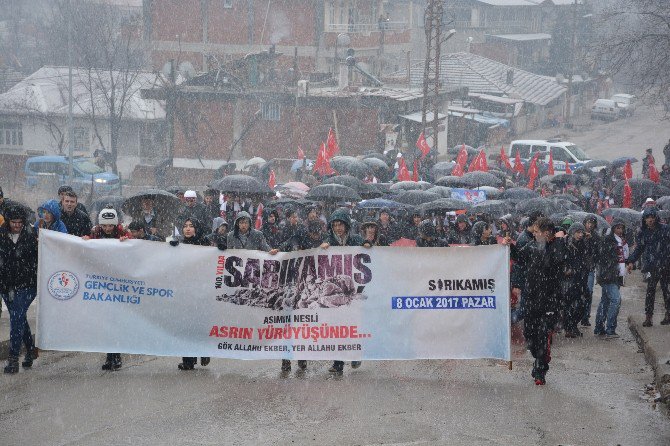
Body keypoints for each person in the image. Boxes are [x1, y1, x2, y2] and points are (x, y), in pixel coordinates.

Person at [82, 208, 132, 370]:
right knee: (106, 324)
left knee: (115, 322)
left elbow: (135, 247)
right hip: (103, 284)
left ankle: (116, 356)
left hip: (119, 284)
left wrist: (128, 240)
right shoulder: (96, 233)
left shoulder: (123, 232)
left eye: (110, 226)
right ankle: (109, 356)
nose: (108, 229)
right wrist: (86, 240)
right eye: (105, 226)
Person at [520, 217, 566, 385]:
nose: (534, 234)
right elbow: (519, 256)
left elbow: (557, 260)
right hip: (532, 298)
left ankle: (540, 370)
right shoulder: (532, 246)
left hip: (549, 300)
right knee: (530, 335)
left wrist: (559, 240)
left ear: (546, 233)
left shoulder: (557, 246)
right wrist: (508, 245)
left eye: (537, 232)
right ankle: (539, 357)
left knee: (542, 335)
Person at [320, 208, 366, 374]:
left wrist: (367, 245)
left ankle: (355, 356)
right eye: (335, 225)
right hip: (338, 291)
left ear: (347, 225)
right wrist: (322, 248)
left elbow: (369, 252)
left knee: (353, 325)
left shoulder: (355, 240)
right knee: (338, 327)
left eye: (341, 225)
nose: (338, 228)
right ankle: (338, 363)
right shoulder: (328, 241)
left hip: (354, 287)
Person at [168, 218, 212, 370]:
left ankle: (203, 351)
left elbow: (213, 260)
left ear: (196, 229)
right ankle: (188, 359)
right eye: (185, 226)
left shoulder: (204, 243)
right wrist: (170, 248)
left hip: (200, 288)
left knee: (199, 323)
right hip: (184, 289)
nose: (187, 229)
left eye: (191, 226)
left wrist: (220, 249)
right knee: (185, 325)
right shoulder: (177, 243)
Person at [0, 206, 39, 374]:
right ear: (8, 222)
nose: (17, 225)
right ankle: (30, 350)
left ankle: (13, 358)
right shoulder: (1, 235)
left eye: (20, 222)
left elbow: (38, 258)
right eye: (14, 222)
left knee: (16, 318)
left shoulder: (31, 235)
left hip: (27, 284)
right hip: (6, 284)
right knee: (19, 317)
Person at [626, 207, 670, 326]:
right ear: (644, 219)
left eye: (652, 217)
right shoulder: (643, 233)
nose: (650, 220)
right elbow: (639, 248)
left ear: (656, 218)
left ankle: (668, 314)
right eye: (647, 217)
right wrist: (631, 261)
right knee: (650, 291)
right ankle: (648, 317)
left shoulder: (665, 229)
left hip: (666, 265)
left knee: (666, 290)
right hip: (651, 267)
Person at [595, 219, 629, 338]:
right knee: (616, 300)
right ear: (613, 228)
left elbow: (625, 257)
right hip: (609, 276)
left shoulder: (622, 241)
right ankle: (610, 329)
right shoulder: (608, 240)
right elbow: (604, 258)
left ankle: (599, 328)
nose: (620, 230)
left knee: (605, 301)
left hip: (617, 276)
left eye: (621, 228)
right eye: (617, 228)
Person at [562, 222, 588, 338]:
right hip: (568, 279)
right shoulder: (565, 244)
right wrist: (566, 269)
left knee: (582, 304)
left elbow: (591, 255)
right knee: (568, 304)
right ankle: (568, 327)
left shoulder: (583, 244)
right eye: (578, 232)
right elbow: (560, 259)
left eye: (581, 232)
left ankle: (573, 325)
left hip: (580, 278)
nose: (580, 235)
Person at [581, 215, 601, 326]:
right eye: (588, 222)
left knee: (588, 292)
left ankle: (585, 316)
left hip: (589, 268)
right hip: (579, 268)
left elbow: (598, 253)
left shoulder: (596, 237)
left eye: (592, 223)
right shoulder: (580, 233)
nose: (590, 225)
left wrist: (591, 240)